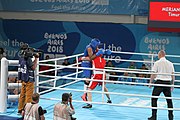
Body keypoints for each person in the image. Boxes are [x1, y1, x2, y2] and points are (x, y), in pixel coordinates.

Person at [148, 50, 175, 120]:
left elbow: (153, 74)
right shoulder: (170, 63)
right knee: (169, 101)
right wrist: (172, 84)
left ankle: (154, 116)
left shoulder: (157, 63)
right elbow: (173, 75)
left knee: (154, 99)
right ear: (164, 55)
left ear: (159, 55)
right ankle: (171, 117)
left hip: (159, 82)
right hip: (167, 83)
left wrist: (150, 82)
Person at [17, 44, 39, 114]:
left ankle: (20, 109)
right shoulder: (28, 58)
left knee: (22, 95)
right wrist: (36, 59)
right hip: (29, 78)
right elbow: (33, 67)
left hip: (23, 78)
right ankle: (27, 111)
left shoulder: (20, 57)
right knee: (29, 96)